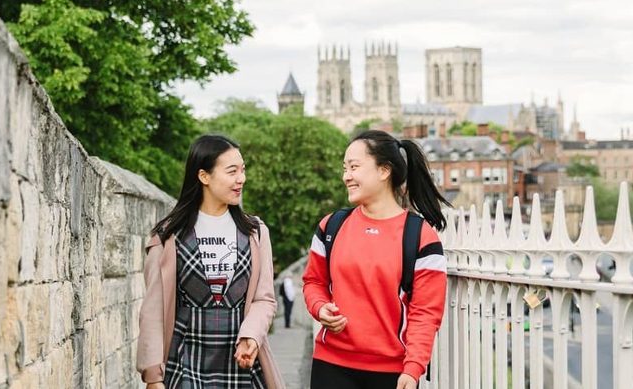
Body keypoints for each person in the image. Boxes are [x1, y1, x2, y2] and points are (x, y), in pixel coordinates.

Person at [302, 130, 450, 389]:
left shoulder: (420, 237)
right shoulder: (331, 226)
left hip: (391, 373)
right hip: (330, 366)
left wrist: (413, 367)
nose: (346, 176)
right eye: (344, 168)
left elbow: (425, 313)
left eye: (354, 167)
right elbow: (313, 281)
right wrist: (320, 307)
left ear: (384, 171)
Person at [136, 134, 284, 389]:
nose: (241, 179)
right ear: (204, 176)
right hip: (184, 360)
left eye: (243, 170)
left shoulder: (256, 232)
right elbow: (153, 310)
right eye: (232, 171)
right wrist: (153, 376)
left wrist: (252, 335)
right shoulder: (168, 236)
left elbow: (264, 298)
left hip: (241, 360)